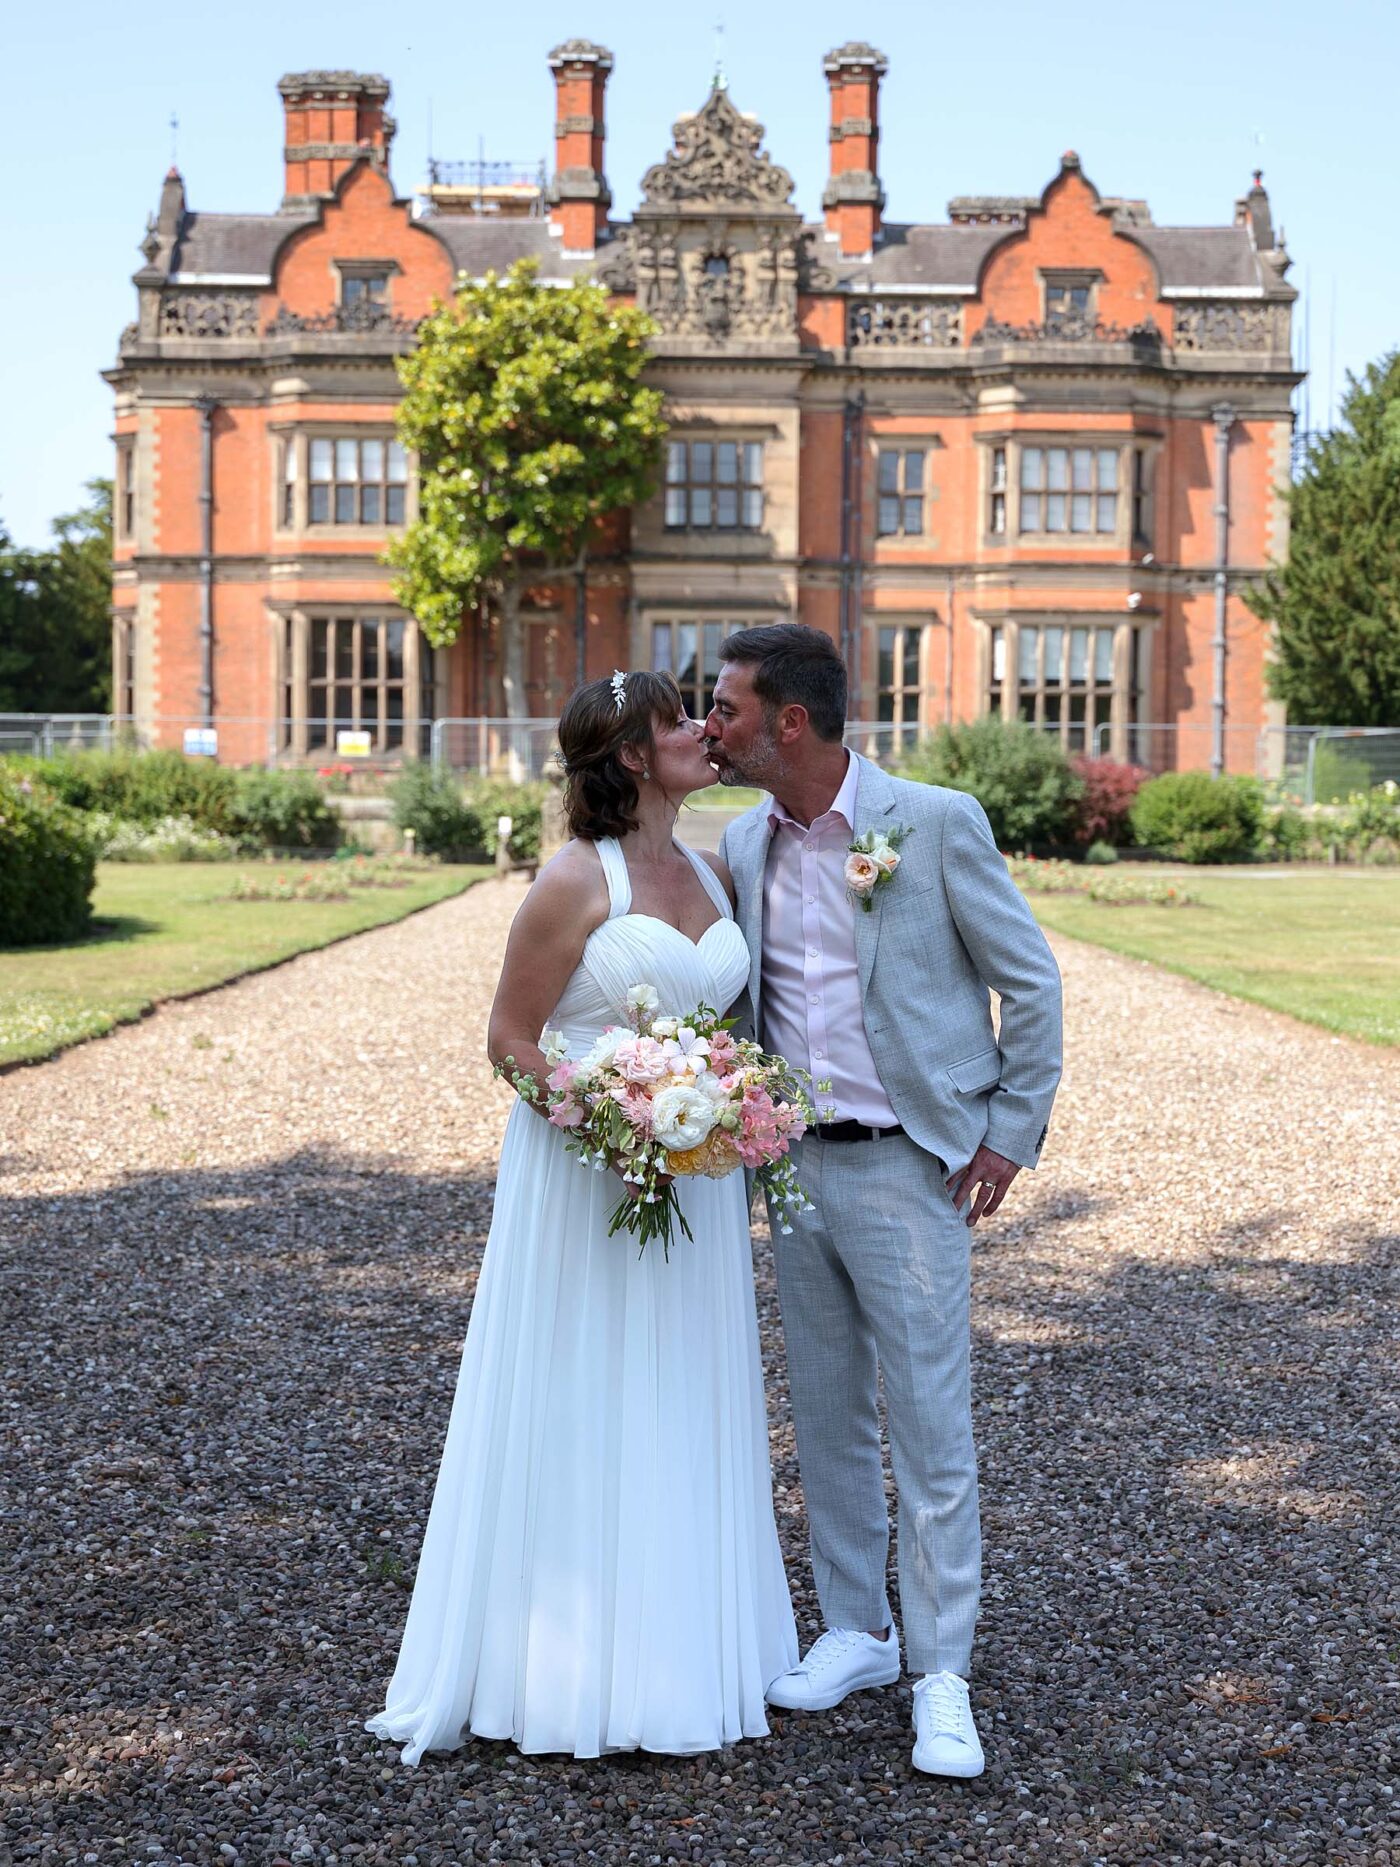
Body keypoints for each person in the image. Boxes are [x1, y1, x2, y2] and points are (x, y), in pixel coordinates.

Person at [366, 671, 797, 1762]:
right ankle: (557, 1670)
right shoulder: (572, 878)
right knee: (583, 1387)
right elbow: (510, 1039)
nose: (702, 731)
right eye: (674, 723)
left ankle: (682, 1656)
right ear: (633, 760)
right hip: (588, 1176)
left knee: (678, 1390)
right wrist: (617, 1121)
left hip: (692, 1182)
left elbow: (726, 1024)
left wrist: (722, 1108)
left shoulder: (712, 866)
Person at [706, 624, 1062, 1779]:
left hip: (913, 1168)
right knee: (823, 1416)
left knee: (928, 1424)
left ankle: (941, 1668)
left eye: (728, 708)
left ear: (789, 723)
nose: (714, 724)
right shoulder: (739, 840)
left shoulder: (935, 821)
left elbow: (1031, 983)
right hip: (793, 1170)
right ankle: (857, 1629)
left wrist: (1006, 1135)